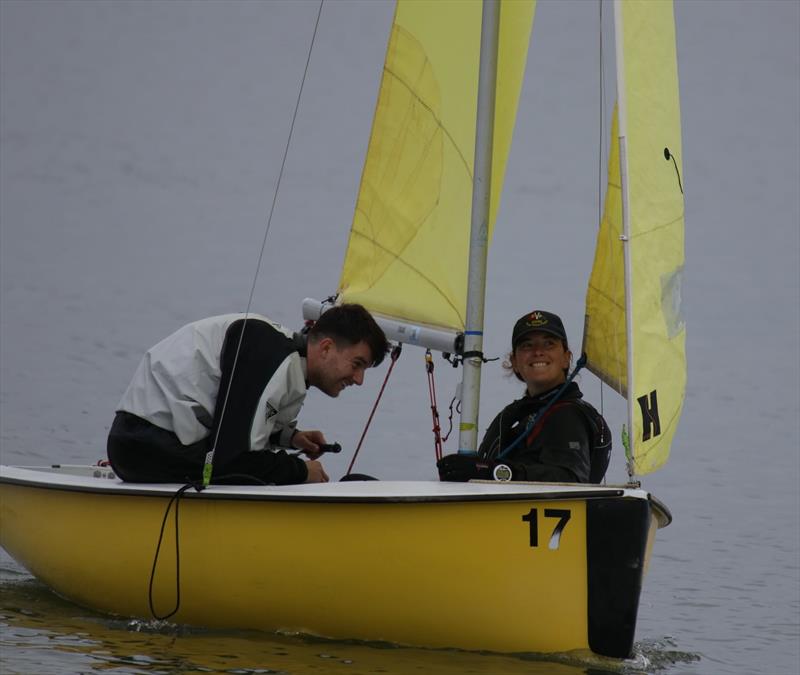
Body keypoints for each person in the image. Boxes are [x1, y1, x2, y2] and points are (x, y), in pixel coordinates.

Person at [107, 303, 388, 485]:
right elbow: (231, 458)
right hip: (144, 444)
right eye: (357, 364)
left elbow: (239, 421)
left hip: (152, 442)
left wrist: (288, 437)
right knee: (244, 473)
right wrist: (301, 472)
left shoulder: (285, 356)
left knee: (254, 473)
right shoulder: (267, 354)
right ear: (326, 348)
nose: (360, 380)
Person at [437, 310, 610, 484]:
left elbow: (570, 479)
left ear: (567, 358)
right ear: (514, 362)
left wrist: (492, 472)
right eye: (527, 345)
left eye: (549, 344)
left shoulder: (567, 416)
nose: (538, 352)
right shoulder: (521, 413)